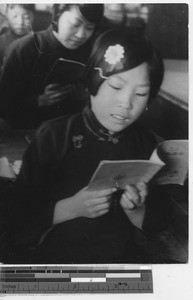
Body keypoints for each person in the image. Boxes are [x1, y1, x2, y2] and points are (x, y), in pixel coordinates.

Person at [2, 28, 173, 264]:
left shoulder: (145, 143)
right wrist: (69, 208)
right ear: (93, 82)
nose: (126, 104)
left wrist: (137, 211)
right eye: (115, 87)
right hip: (55, 263)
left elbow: (160, 219)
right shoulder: (54, 136)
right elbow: (13, 220)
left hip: (119, 264)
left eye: (141, 93)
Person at [0, 4, 104, 129]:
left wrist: (85, 98)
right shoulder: (24, 48)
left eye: (89, 28)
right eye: (75, 24)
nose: (81, 34)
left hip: (72, 129)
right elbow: (4, 105)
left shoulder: (93, 51)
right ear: (57, 15)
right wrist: (38, 101)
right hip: (26, 131)